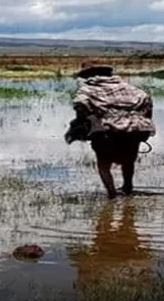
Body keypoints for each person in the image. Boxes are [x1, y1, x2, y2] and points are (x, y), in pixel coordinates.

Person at [65, 61, 155, 199]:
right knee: (128, 161)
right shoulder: (128, 87)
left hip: (107, 130)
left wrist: (83, 125)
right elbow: (146, 100)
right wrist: (143, 124)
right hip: (134, 129)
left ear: (88, 75)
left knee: (104, 164)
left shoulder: (87, 89)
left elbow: (80, 104)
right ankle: (127, 188)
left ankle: (112, 195)